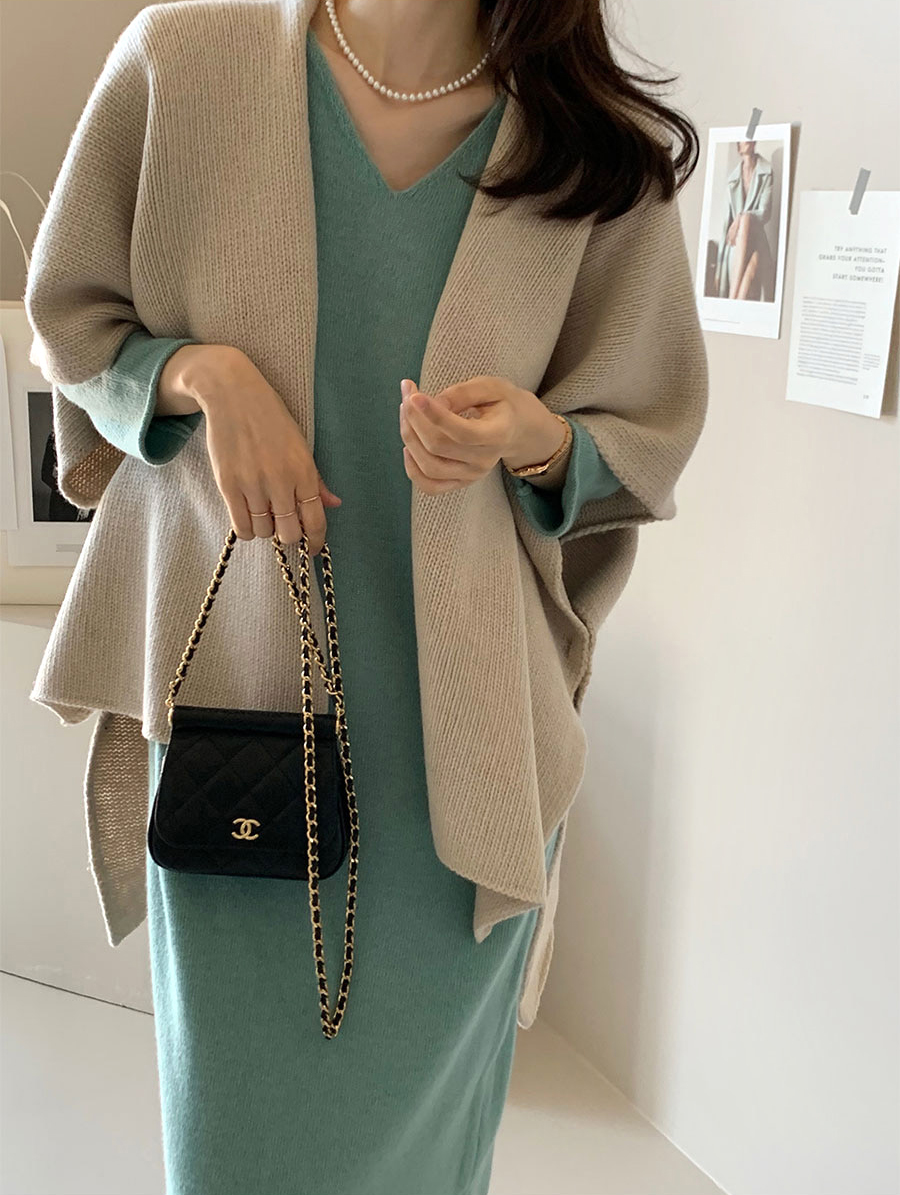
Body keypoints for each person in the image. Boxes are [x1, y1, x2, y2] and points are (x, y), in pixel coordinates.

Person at [24, 1, 709, 1192]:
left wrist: (541, 439)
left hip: (466, 767)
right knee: (234, 1152)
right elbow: (71, 325)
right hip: (245, 735)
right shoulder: (183, 61)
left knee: (423, 1164)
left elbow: (644, 438)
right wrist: (199, 375)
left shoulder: (590, 145)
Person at [716, 139, 775, 300]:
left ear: (754, 142)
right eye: (742, 139)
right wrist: (719, 267)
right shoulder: (732, 180)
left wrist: (741, 218)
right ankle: (734, 299)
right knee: (751, 266)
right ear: (738, 147)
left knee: (746, 218)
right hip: (736, 243)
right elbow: (726, 224)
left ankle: (732, 298)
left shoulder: (766, 171)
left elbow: (765, 213)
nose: (746, 140)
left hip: (757, 239)